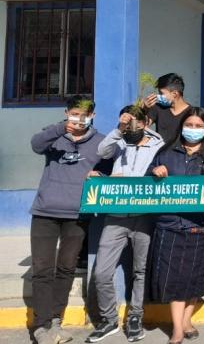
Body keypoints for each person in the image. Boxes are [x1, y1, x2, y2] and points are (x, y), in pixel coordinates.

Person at [29, 96, 111, 344]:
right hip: (45, 212)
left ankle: (55, 321)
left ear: (92, 116)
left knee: (65, 269)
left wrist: (102, 174)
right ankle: (41, 327)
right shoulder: (54, 136)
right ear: (66, 113)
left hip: (78, 215)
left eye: (83, 115)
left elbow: (112, 167)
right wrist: (59, 129)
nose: (78, 119)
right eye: (74, 113)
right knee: (42, 270)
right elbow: (35, 144)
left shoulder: (101, 142)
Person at [86, 105, 165, 343]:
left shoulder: (157, 144)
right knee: (101, 272)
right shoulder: (119, 140)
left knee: (140, 270)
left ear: (146, 123)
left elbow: (163, 165)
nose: (133, 126)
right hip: (116, 216)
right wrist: (119, 129)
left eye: (136, 122)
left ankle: (135, 317)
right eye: (128, 122)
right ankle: (109, 318)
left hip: (144, 215)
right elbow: (103, 150)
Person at [147, 107, 204, 344]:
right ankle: (177, 329)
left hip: (201, 224)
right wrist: (154, 171)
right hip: (171, 224)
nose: (193, 130)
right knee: (174, 278)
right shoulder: (166, 151)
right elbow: (148, 177)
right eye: (189, 125)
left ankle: (187, 320)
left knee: (196, 277)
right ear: (181, 127)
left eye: (199, 126)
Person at [143, 73, 192, 149]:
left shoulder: (192, 113)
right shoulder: (158, 108)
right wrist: (145, 109)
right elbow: (144, 125)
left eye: (161, 93)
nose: (158, 96)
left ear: (175, 94)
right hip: (160, 156)